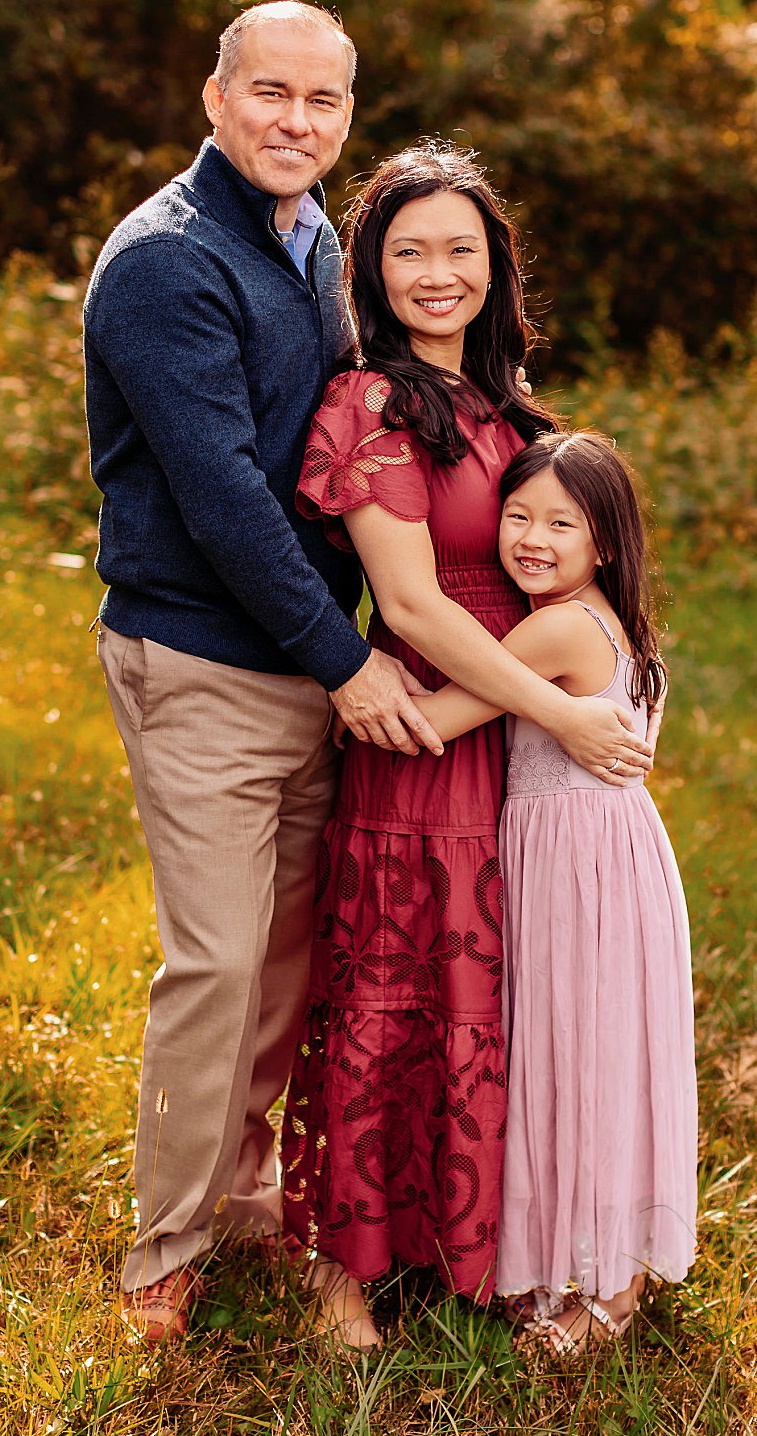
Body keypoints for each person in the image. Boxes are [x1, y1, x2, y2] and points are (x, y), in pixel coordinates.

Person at [83, 1, 445, 1345]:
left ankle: (244, 1191)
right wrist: (348, 659)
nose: (296, 121)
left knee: (290, 961)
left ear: (348, 114)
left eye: (324, 101)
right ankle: (162, 1249)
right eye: (270, 93)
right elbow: (227, 497)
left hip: (304, 660)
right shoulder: (167, 265)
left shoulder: (305, 247)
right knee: (218, 962)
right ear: (214, 96)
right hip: (204, 661)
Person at [281, 143, 655, 1352]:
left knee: (492, 996)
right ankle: (346, 1273)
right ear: (369, 272)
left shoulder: (506, 408)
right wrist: (560, 709)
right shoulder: (372, 403)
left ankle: (469, 1240)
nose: (436, 274)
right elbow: (422, 605)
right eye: (407, 251)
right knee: (391, 985)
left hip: (507, 744)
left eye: (460, 249)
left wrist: (575, 690)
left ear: (495, 265)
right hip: (424, 722)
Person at [413, 430, 698, 1355]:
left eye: (560, 524)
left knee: (572, 1055)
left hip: (574, 867)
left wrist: (351, 681)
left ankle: (607, 1288)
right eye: (518, 516)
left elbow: (437, 719)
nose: (531, 538)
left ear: (603, 542)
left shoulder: (559, 627)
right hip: (611, 857)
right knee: (595, 1056)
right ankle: (593, 1260)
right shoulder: (617, 620)